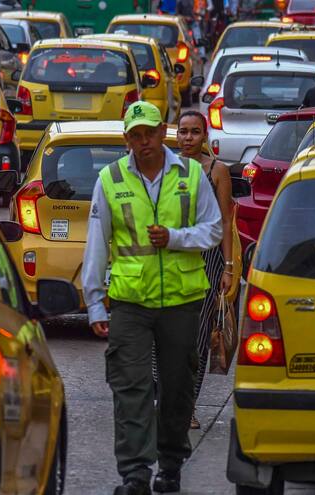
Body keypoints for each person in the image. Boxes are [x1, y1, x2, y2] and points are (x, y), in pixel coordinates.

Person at [82, 101, 222, 495]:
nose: (144, 142)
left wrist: (176, 238)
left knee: (177, 387)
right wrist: (95, 302)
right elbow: (97, 244)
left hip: (180, 301)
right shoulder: (110, 180)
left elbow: (213, 230)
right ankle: (135, 473)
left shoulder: (192, 174)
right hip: (131, 302)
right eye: (136, 136)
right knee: (132, 388)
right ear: (127, 139)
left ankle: (171, 465)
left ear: (164, 132)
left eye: (150, 133)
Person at [173, 110, 235, 430]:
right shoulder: (167, 168)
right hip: (171, 261)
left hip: (208, 263)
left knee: (197, 337)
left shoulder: (217, 171)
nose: (188, 138)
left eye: (195, 132)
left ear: (205, 137)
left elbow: (225, 221)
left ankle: (188, 407)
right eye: (183, 132)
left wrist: (228, 267)